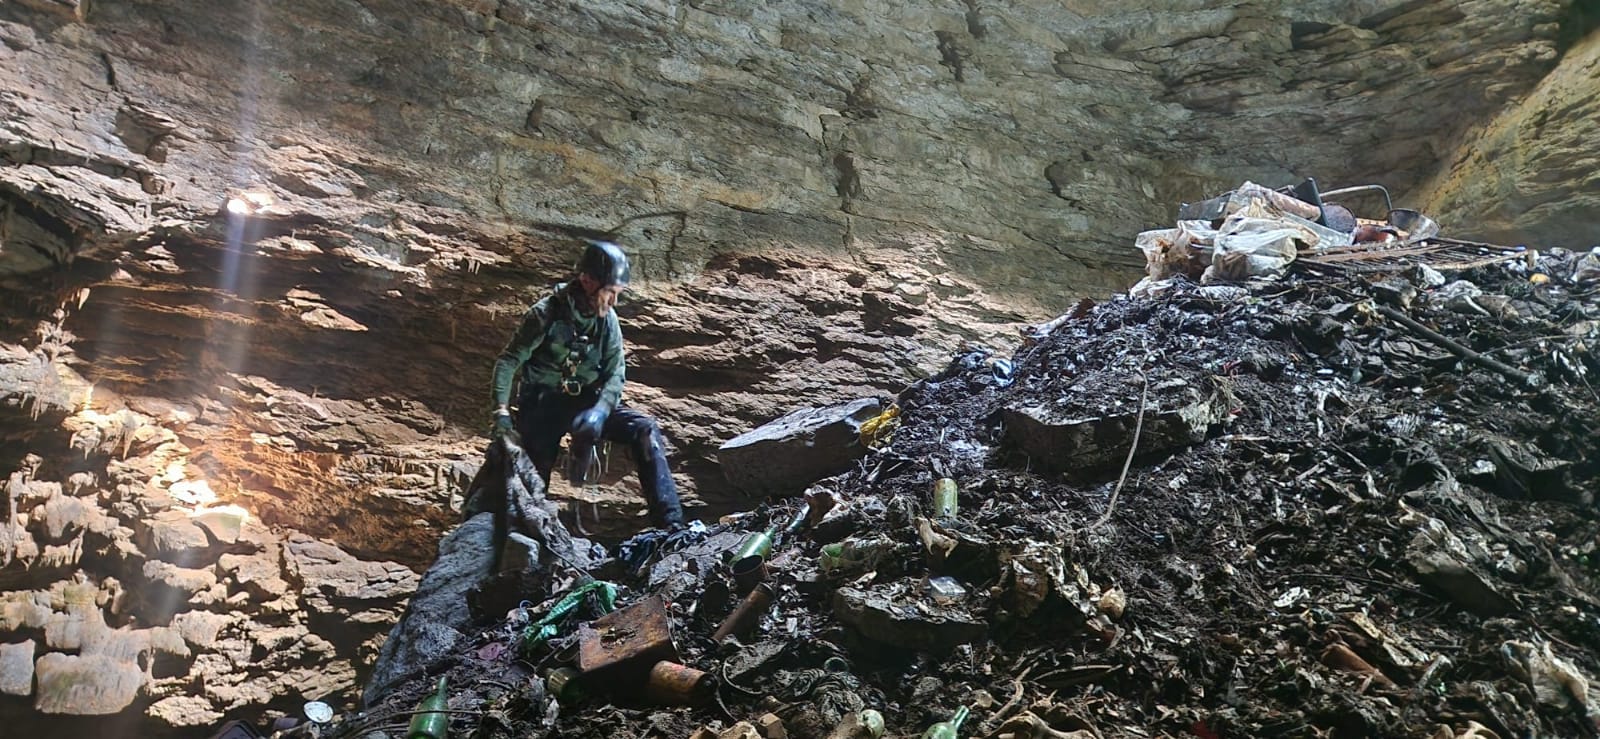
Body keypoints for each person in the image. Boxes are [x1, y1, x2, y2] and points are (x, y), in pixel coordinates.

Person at [489, 240, 685, 529]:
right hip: (543, 404)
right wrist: (501, 413)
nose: (613, 301)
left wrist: (601, 411)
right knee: (534, 468)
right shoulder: (545, 315)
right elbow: (508, 361)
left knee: (644, 430)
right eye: (609, 292)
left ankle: (672, 526)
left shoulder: (608, 322)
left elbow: (616, 372)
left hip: (585, 403)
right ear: (587, 280)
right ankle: (527, 534)